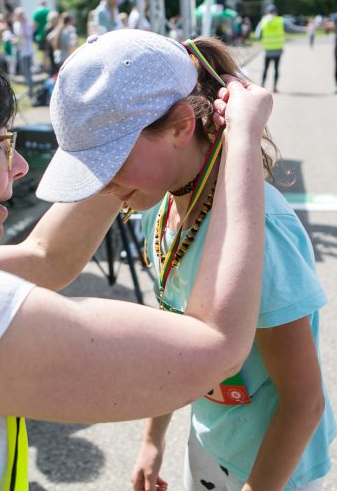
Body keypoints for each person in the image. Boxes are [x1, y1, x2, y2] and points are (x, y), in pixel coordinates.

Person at [0, 35, 271, 489]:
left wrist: (116, 123)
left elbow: (47, 257)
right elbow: (213, 347)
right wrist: (241, 137)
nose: (20, 166)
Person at [35, 29, 335, 491]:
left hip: (272, 471)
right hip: (211, 446)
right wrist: (152, 441)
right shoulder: (156, 203)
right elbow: (174, 331)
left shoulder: (263, 234)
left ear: (180, 125)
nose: (99, 187)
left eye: (110, 163)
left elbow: (304, 402)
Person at [255, 4, 285, 93]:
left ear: (267, 12)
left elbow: (257, 35)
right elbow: (291, 28)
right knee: (276, 69)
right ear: (275, 12)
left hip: (268, 51)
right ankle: (275, 87)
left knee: (265, 69)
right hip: (278, 50)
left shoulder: (263, 21)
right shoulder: (280, 20)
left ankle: (262, 86)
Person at [13, 7, 35, 98]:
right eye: (18, 15)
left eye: (21, 15)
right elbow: (17, 36)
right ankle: (29, 88)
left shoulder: (27, 25)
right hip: (21, 50)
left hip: (28, 51)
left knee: (28, 71)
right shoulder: (15, 25)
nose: (19, 17)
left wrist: (24, 25)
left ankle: (31, 90)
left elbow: (29, 36)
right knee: (24, 71)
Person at [32, 0, 50, 71]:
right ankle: (48, 66)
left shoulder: (36, 12)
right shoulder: (48, 11)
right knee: (48, 51)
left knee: (43, 52)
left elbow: (34, 25)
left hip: (41, 34)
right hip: (48, 34)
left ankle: (44, 66)